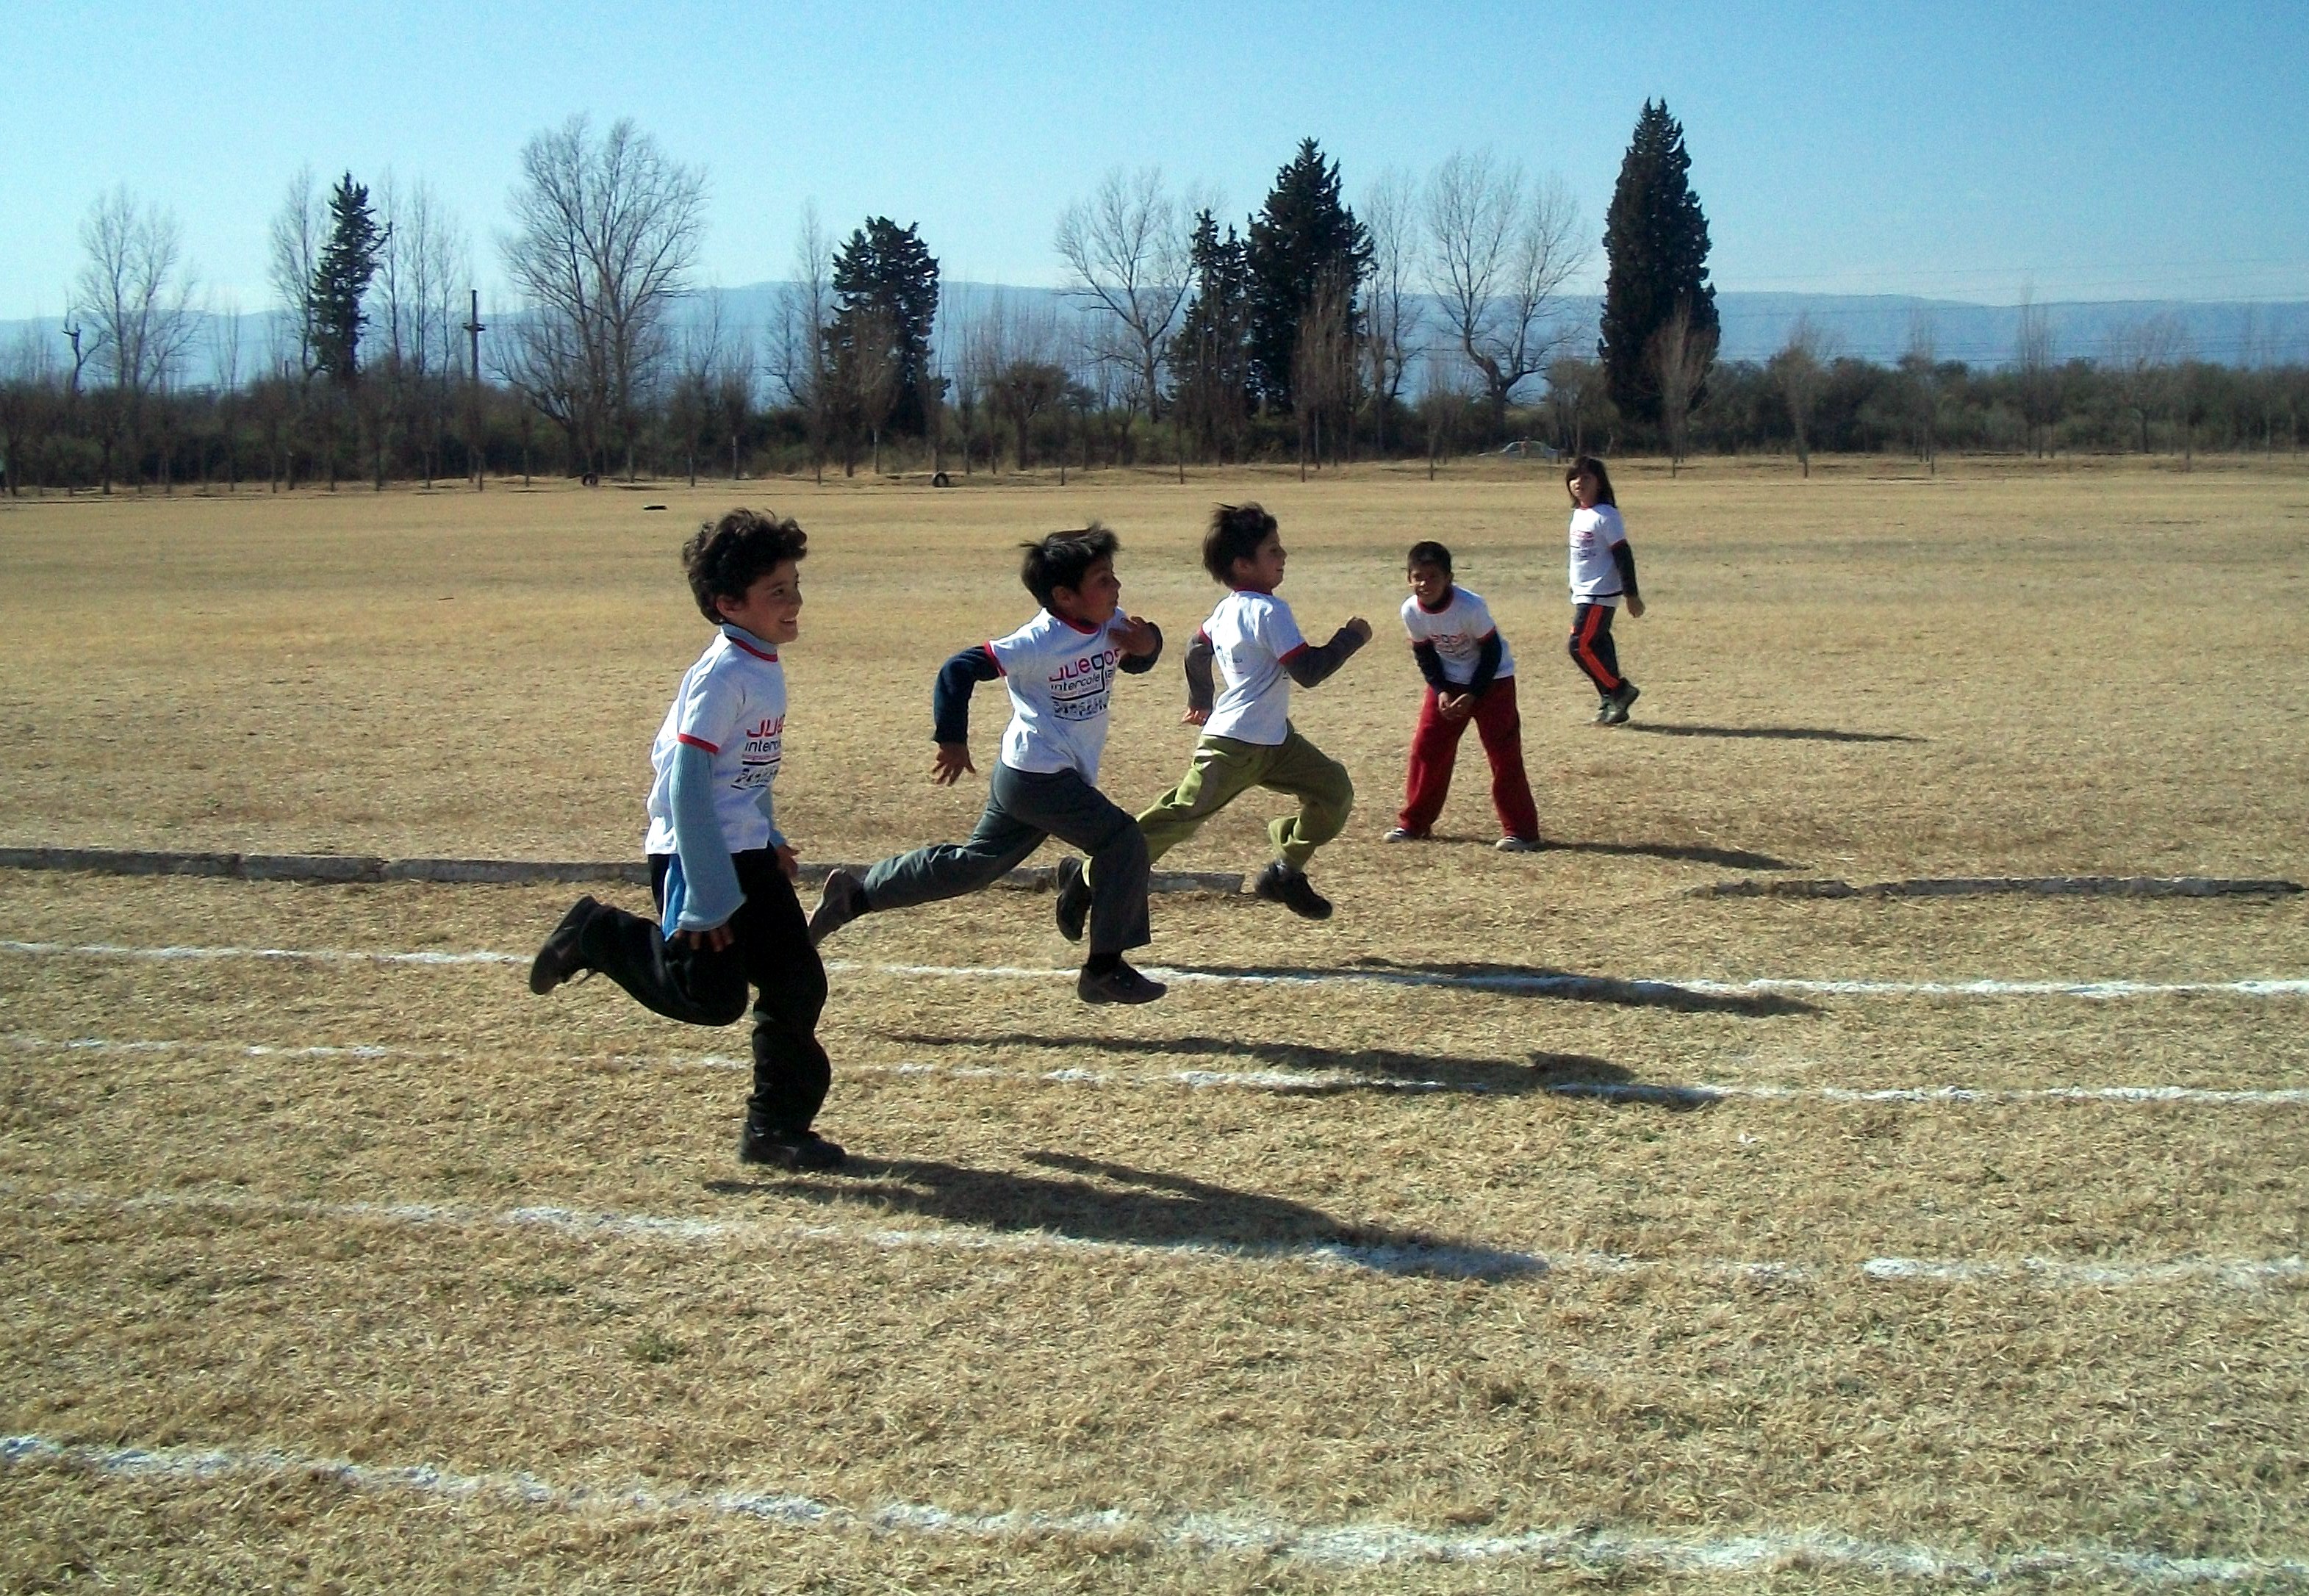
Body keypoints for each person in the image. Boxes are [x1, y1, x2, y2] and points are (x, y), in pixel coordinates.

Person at [526, 508, 844, 1171]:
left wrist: (770, 833)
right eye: (776, 592)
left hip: (743, 851)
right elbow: (688, 787)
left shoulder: (762, 661)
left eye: (794, 585)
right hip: (696, 856)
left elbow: (744, 770)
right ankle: (599, 934)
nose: (794, 603)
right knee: (712, 999)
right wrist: (706, 896)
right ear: (728, 605)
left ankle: (774, 1129)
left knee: (797, 983)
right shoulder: (724, 674)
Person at [806, 525, 1168, 1006]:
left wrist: (1148, 647)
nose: (1117, 586)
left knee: (973, 868)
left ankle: (857, 894)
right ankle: (1103, 967)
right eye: (1103, 579)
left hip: (1030, 776)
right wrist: (952, 740)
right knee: (1124, 842)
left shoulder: (1109, 622)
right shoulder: (1037, 641)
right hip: (1039, 775)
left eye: (1113, 575)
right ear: (1064, 596)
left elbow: (1134, 656)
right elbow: (957, 669)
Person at [1129, 502, 1368, 919]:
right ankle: (1099, 870)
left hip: (1274, 741)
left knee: (1333, 789)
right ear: (1242, 565)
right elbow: (1309, 671)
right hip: (1235, 745)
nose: (1284, 557)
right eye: (1273, 550)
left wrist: (1200, 699)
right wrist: (1350, 638)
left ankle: (1283, 870)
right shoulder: (1268, 611)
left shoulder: (1227, 609)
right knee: (1180, 816)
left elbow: (1196, 646)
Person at [1385, 540, 1543, 851]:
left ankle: (1521, 831)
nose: (1424, 584)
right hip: (1449, 683)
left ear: (1449, 578)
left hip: (1492, 681)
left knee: (1503, 754)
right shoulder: (1411, 611)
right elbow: (1425, 654)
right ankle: (1414, 824)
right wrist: (1441, 689)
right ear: (1408, 578)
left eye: (1433, 577)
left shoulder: (1470, 607)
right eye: (1418, 577)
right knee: (1426, 749)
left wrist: (1474, 693)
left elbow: (1492, 651)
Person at [1565, 454, 1645, 724]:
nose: (1579, 482)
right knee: (1598, 645)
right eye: (1574, 478)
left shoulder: (1606, 515)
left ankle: (1619, 690)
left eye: (1586, 477)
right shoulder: (1579, 514)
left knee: (1579, 645)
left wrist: (1631, 594)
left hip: (1600, 594)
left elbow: (1623, 555)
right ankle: (1610, 701)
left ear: (1600, 483)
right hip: (1584, 593)